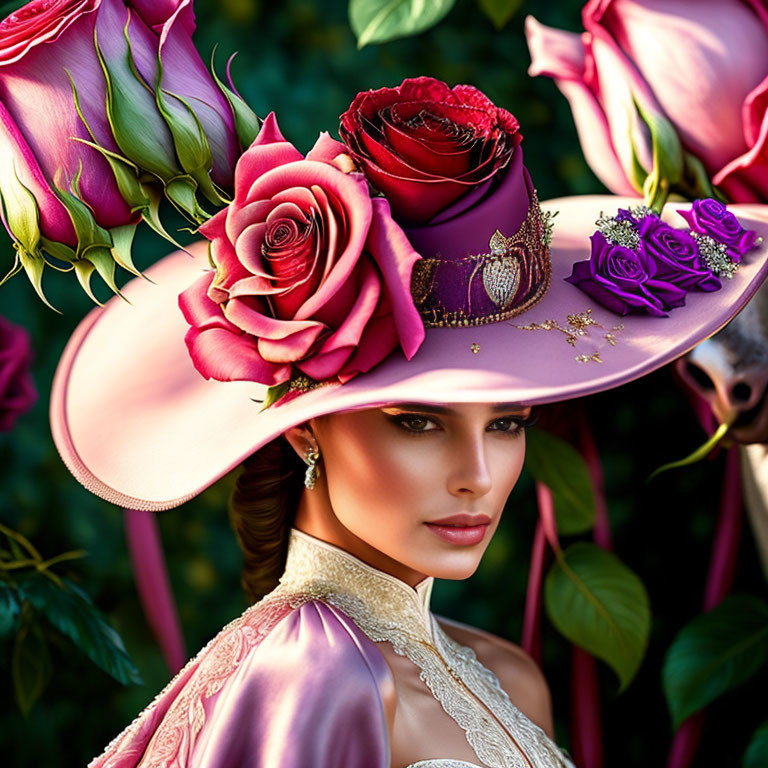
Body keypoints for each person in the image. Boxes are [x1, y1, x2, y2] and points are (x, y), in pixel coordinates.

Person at [49, 93, 768, 767]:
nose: (478, 476)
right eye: (419, 422)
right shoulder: (307, 671)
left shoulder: (509, 677)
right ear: (306, 432)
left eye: (509, 423)